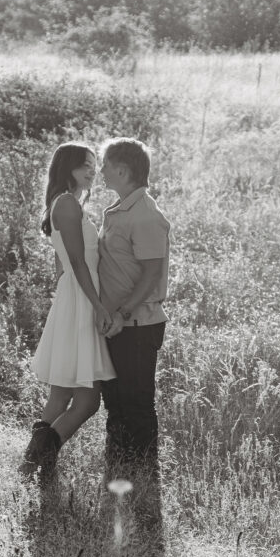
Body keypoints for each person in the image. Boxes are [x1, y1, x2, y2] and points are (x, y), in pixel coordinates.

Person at [20, 142, 116, 479]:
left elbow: (62, 264)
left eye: (94, 165)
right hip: (82, 298)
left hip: (74, 296)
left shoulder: (69, 204)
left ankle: (33, 463)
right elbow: (76, 263)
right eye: (85, 165)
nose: (92, 171)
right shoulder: (67, 205)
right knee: (87, 401)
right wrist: (97, 305)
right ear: (67, 168)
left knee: (61, 392)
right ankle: (40, 456)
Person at [97, 138, 171, 502]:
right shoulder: (120, 209)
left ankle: (143, 475)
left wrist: (123, 314)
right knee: (115, 399)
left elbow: (151, 274)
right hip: (118, 323)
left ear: (122, 170)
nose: (101, 171)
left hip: (138, 323)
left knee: (137, 401)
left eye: (105, 165)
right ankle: (118, 467)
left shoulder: (144, 214)